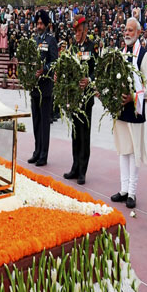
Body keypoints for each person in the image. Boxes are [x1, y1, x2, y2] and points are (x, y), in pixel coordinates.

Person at [110, 17, 147, 209]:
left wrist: (133, 97)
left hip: (135, 108)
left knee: (134, 150)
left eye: (131, 30)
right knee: (123, 149)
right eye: (125, 30)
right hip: (120, 107)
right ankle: (123, 188)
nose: (127, 33)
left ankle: (133, 193)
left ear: (138, 33)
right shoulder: (120, 53)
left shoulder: (143, 55)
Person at [63, 15, 96, 184]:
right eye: (75, 31)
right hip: (74, 97)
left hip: (87, 97)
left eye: (79, 31)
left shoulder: (92, 46)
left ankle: (83, 170)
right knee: (75, 133)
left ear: (85, 30)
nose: (76, 34)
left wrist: (89, 80)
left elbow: (96, 69)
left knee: (84, 134)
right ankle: (75, 167)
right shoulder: (71, 47)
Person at [28, 10, 58, 167]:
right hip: (34, 87)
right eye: (37, 23)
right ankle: (36, 151)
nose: (39, 26)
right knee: (36, 121)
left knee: (44, 123)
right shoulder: (33, 40)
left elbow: (54, 62)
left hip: (45, 88)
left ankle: (43, 155)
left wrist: (44, 70)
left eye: (41, 23)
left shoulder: (51, 40)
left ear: (46, 25)